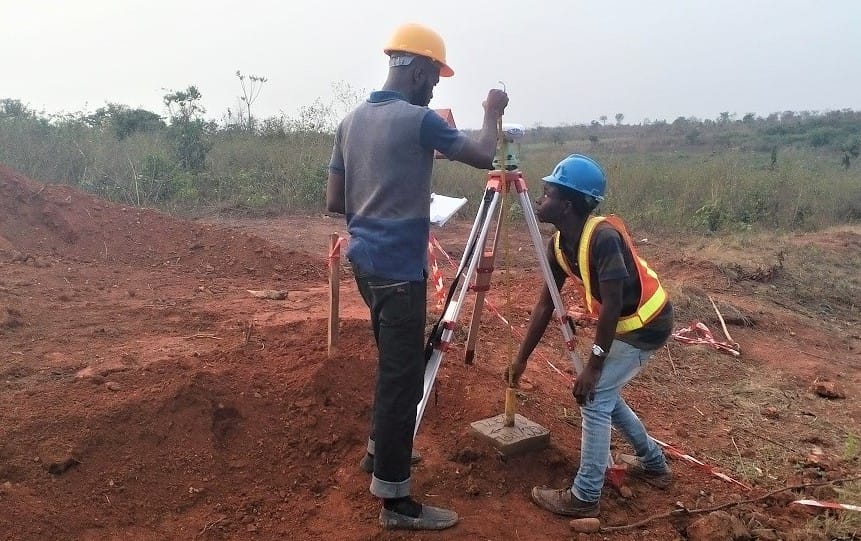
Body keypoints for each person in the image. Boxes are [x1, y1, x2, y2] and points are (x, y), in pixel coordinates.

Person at [325, 22, 508, 531]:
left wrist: (384, 198)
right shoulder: (418, 119)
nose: (434, 88)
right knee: (403, 380)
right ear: (420, 67)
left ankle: (376, 453)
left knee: (393, 366)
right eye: (435, 77)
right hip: (401, 271)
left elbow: (334, 201)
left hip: (364, 264)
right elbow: (482, 154)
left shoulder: (350, 121)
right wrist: (491, 112)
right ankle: (394, 499)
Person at [505, 154, 674, 518]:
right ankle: (655, 465)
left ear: (567, 204)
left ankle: (584, 497)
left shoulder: (604, 238)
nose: (539, 199)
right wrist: (521, 358)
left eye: (547, 193)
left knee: (594, 398)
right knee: (607, 397)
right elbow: (544, 305)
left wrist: (595, 365)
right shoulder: (559, 244)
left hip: (646, 325)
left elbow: (612, 304)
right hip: (625, 325)